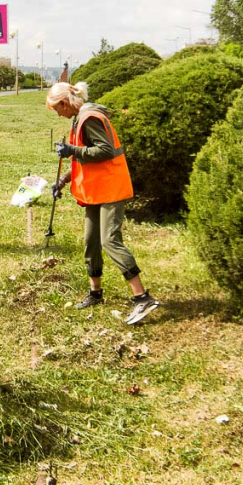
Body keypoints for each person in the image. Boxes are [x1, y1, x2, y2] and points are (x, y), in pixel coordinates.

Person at [47, 81, 160, 326]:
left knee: (109, 240)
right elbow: (85, 157)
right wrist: (64, 179)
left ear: (65, 103)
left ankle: (142, 297)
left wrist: (71, 150)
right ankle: (95, 292)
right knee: (90, 240)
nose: (58, 114)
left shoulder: (90, 118)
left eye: (57, 109)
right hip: (96, 190)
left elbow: (105, 151)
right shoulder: (79, 118)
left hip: (110, 187)